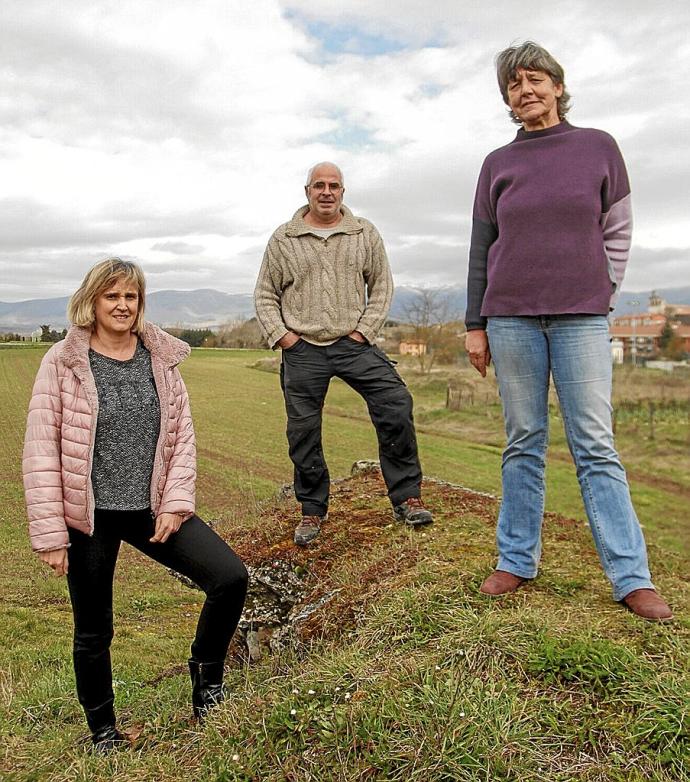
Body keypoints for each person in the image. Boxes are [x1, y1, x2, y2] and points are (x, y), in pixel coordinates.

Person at [464, 42, 672, 621]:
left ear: (557, 85)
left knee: (594, 444)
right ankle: (515, 559)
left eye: (534, 80)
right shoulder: (496, 164)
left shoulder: (598, 147)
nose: (525, 91)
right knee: (522, 439)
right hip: (510, 317)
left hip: (581, 316)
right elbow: (483, 248)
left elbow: (619, 228)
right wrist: (475, 323)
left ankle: (631, 577)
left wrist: (602, 290)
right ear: (508, 99)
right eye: (513, 85)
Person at [23, 258, 249, 751]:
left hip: (151, 509)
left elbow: (182, 437)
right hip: (89, 518)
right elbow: (41, 448)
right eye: (112, 296)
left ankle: (207, 682)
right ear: (92, 301)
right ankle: (103, 729)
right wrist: (49, 534)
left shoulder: (161, 358)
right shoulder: (63, 361)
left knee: (230, 577)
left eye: (131, 296)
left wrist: (175, 503)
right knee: (94, 628)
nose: (122, 305)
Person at [254, 162, 432, 546]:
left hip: (353, 345)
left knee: (395, 404)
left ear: (343, 192)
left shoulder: (363, 232)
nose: (327, 192)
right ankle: (312, 511)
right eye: (319, 185)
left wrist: (363, 332)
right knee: (303, 431)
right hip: (302, 348)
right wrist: (284, 338)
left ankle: (407, 498)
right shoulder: (284, 238)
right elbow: (265, 294)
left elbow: (381, 285)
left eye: (334, 185)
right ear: (307, 191)